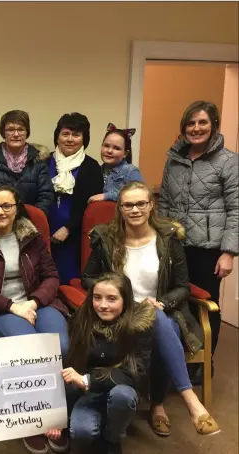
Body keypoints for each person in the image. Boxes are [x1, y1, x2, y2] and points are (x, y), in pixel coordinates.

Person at [82, 181, 220, 437]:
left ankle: (157, 404)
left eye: (140, 203)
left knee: (159, 320)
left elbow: (182, 286)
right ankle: (188, 400)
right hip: (119, 312)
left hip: (163, 310)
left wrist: (163, 303)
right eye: (128, 205)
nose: (135, 209)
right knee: (158, 321)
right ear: (120, 209)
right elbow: (88, 278)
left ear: (151, 206)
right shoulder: (106, 238)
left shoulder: (168, 239)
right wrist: (114, 294)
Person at [0, 184, 70, 454]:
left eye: (6, 206)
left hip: (38, 302)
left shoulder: (32, 236)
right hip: (1, 309)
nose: (1, 211)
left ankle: (55, 415)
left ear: (16, 207)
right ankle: (32, 421)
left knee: (61, 347)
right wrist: (13, 307)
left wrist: (33, 302)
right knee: (30, 350)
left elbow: (52, 277)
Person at [158, 100, 238, 366]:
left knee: (204, 305)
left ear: (213, 125)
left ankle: (204, 363)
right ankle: (178, 360)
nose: (196, 128)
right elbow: (165, 203)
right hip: (175, 247)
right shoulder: (174, 159)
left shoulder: (228, 162)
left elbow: (236, 209)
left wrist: (229, 253)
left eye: (202, 122)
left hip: (208, 249)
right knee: (178, 303)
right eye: (191, 123)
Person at [45, 273, 154, 454]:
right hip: (89, 394)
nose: (103, 305)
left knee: (123, 396)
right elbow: (71, 372)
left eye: (112, 299)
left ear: (125, 300)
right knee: (80, 432)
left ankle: (113, 438)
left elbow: (136, 373)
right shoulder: (82, 319)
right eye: (97, 298)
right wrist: (58, 420)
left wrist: (88, 380)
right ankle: (96, 428)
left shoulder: (138, 327)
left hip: (119, 388)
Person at [47, 113, 103, 285]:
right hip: (43, 234)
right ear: (57, 137)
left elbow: (91, 207)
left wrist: (68, 228)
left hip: (75, 237)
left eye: (76, 135)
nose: (70, 139)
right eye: (65, 134)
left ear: (84, 139)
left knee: (70, 282)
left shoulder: (91, 167)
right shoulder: (44, 161)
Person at [0, 110, 54, 220]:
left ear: (27, 132)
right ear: (3, 133)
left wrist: (30, 221)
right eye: (10, 129)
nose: (16, 134)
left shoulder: (38, 159)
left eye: (20, 129)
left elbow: (46, 196)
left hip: (31, 224)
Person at [88, 123, 144, 203]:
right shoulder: (97, 170)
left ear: (125, 153)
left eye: (116, 148)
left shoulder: (131, 171)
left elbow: (140, 194)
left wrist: (106, 196)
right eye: (106, 146)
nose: (109, 151)